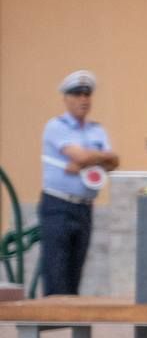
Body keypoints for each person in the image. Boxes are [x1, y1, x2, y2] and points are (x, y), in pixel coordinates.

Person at [37, 71, 117, 296]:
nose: (84, 99)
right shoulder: (56, 126)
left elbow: (114, 160)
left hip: (84, 207)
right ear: (66, 98)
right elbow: (89, 157)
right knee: (57, 269)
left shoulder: (96, 129)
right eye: (77, 94)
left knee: (75, 271)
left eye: (87, 94)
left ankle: (72, 325)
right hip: (58, 205)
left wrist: (85, 160)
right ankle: (55, 323)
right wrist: (98, 157)